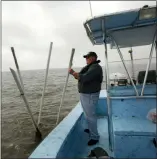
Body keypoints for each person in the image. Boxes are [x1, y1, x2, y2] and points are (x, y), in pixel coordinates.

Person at [69, 51, 103, 146]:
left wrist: (72, 72)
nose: (86, 59)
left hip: (90, 95)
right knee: (88, 114)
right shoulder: (91, 67)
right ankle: (91, 130)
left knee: (91, 116)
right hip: (86, 95)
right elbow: (80, 76)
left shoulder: (95, 67)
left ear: (92, 58)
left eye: (87, 58)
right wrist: (75, 74)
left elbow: (84, 78)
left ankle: (95, 137)